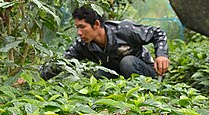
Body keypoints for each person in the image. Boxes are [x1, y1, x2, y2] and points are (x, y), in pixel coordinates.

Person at [40, 5, 169, 80]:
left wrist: (162, 54)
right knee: (97, 74)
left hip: (145, 72)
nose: (79, 32)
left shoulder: (124, 30)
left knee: (128, 62)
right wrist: (36, 77)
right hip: (117, 74)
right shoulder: (82, 45)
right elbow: (62, 62)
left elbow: (157, 32)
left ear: (96, 24)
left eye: (82, 27)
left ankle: (143, 95)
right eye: (77, 28)